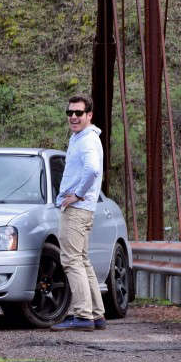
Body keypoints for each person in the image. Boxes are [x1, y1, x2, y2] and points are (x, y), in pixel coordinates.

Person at [50, 94, 106, 332]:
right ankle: (96, 313)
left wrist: (78, 195)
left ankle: (83, 315)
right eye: (70, 113)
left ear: (89, 115)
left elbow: (93, 170)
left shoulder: (86, 140)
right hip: (82, 209)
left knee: (71, 260)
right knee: (82, 260)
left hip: (77, 209)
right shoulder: (81, 137)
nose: (73, 117)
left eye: (78, 113)